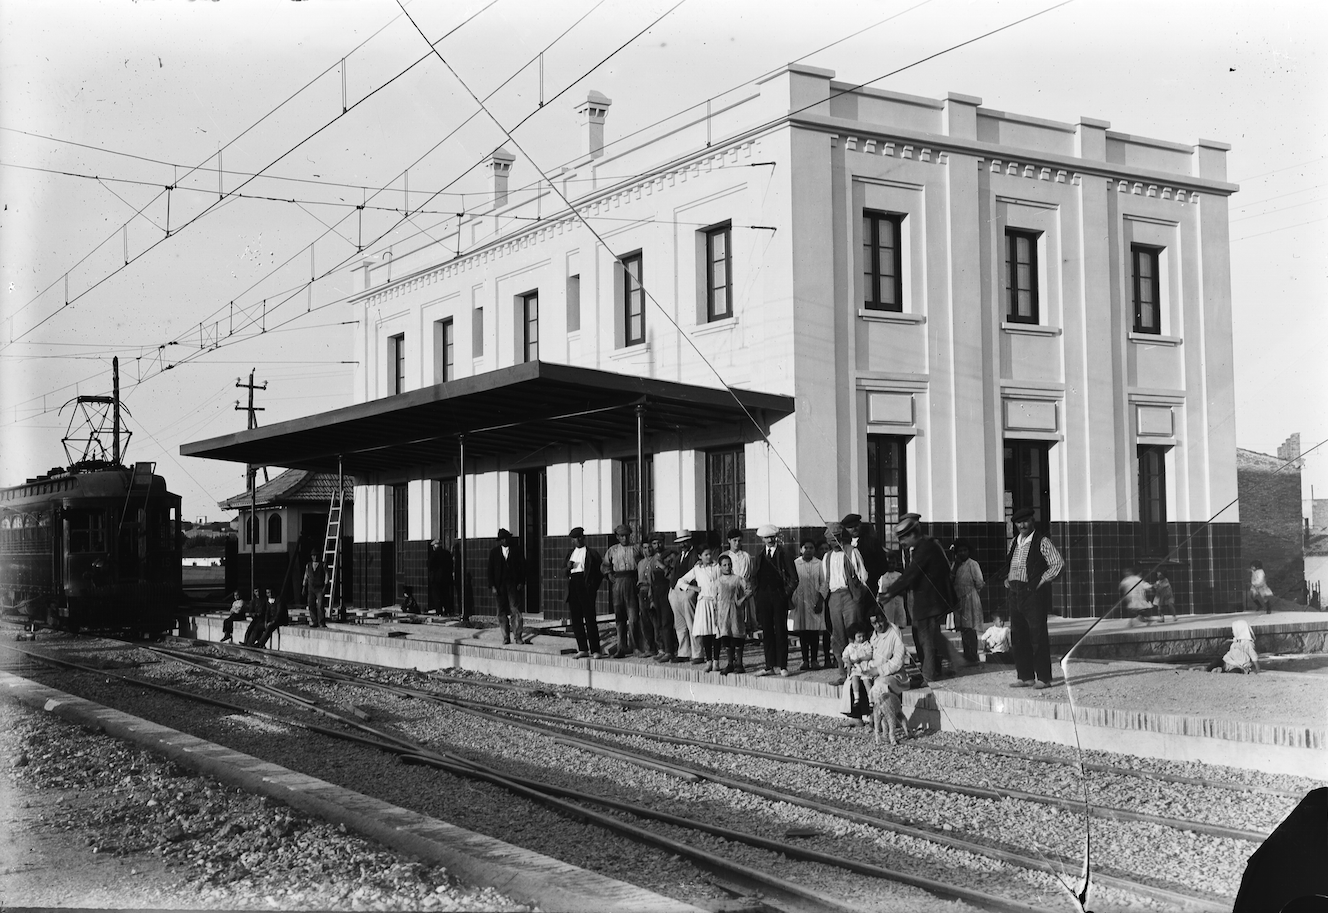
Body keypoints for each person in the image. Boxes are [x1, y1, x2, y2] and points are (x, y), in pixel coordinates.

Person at [879, 515, 960, 685]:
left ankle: (929, 675)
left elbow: (911, 573)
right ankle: (934, 669)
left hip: (929, 601)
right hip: (924, 600)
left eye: (904, 537)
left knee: (926, 640)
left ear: (914, 534)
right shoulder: (921, 546)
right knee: (927, 637)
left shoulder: (925, 547)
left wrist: (890, 593)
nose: (901, 542)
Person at [1002, 506, 1064, 689]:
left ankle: (1044, 678)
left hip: (1032, 594)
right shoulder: (1014, 541)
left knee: (1037, 636)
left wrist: (1040, 581)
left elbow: (1057, 564)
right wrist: (1008, 579)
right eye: (1019, 522)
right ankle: (1025, 676)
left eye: (1026, 521)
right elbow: (1010, 564)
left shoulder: (1041, 541)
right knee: (1018, 636)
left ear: (1032, 521)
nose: (1022, 525)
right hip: (1014, 593)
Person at [822, 521, 870, 683]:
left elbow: (863, 576)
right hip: (834, 597)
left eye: (835, 538)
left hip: (850, 595)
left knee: (854, 633)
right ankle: (844, 674)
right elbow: (825, 580)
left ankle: (859, 673)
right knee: (838, 635)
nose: (832, 542)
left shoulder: (851, 552)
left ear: (841, 536)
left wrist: (857, 596)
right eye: (829, 539)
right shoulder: (827, 556)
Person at [751, 524, 797, 676]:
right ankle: (769, 665)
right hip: (764, 597)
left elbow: (794, 578)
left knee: (781, 630)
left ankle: (782, 666)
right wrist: (757, 594)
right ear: (762, 539)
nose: (769, 540)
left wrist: (785, 594)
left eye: (772, 537)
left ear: (775, 537)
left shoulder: (784, 554)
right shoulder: (759, 556)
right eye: (766, 538)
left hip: (779, 596)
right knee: (767, 631)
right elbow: (754, 578)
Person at [676, 546, 723, 671]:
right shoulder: (697, 569)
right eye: (706, 555)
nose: (708, 557)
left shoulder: (717, 567)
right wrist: (693, 588)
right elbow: (680, 582)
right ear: (700, 556)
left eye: (710, 554)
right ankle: (708, 660)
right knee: (706, 632)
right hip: (704, 603)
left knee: (716, 632)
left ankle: (716, 661)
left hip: (716, 603)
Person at [602, 524, 646, 658]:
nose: (624, 538)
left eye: (626, 536)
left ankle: (635, 647)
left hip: (632, 581)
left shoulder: (636, 548)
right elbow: (605, 565)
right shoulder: (613, 550)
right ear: (617, 537)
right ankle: (621, 647)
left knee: (633, 618)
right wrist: (610, 576)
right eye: (621, 536)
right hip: (618, 583)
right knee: (620, 617)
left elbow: (645, 563)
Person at [867, 613, 909, 744]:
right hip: (877, 673)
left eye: (880, 621)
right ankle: (867, 716)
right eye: (874, 623)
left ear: (885, 618)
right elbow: (872, 656)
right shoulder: (874, 636)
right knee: (854, 680)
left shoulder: (894, 632)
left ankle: (887, 724)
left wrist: (879, 670)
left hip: (895, 675)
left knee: (880, 684)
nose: (878, 625)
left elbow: (897, 660)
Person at [565, 527, 605, 658]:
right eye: (575, 538)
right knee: (576, 619)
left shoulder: (591, 553)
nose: (578, 540)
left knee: (590, 619)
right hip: (573, 586)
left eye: (580, 537)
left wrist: (592, 588)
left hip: (586, 586)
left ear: (584, 537)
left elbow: (600, 572)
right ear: (572, 540)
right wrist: (567, 567)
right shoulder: (571, 553)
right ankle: (582, 648)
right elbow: (563, 572)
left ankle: (595, 650)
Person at [790, 538, 827, 672]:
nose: (809, 550)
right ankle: (804, 660)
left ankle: (815, 660)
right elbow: (791, 581)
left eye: (811, 548)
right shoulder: (796, 564)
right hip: (800, 601)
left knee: (814, 632)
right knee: (803, 631)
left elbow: (824, 583)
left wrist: (820, 601)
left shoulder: (819, 564)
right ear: (801, 549)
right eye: (806, 547)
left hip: (815, 601)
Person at [666, 529, 702, 662]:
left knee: (691, 621)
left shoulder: (695, 555)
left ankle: (697, 653)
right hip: (676, 590)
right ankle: (683, 652)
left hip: (688, 590)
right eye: (680, 543)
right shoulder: (678, 556)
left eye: (685, 542)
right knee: (680, 624)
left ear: (690, 541)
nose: (683, 545)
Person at [713, 554, 751, 674]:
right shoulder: (717, 582)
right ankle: (730, 663)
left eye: (729, 564)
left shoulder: (738, 579)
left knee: (737, 636)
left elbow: (749, 591)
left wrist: (742, 599)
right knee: (726, 637)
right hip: (723, 613)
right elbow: (714, 598)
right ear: (720, 567)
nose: (727, 567)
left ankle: (739, 663)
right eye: (724, 565)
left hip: (735, 612)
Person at [487, 529, 526, 646]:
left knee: (515, 610)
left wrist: (521, 582)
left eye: (506, 538)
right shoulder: (494, 552)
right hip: (499, 586)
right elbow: (490, 571)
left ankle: (518, 636)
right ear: (499, 541)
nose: (505, 540)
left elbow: (523, 568)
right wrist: (493, 586)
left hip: (512, 585)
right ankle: (505, 636)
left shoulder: (516, 550)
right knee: (501, 611)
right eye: (502, 539)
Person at [638, 535, 670, 661]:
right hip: (642, 591)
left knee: (656, 621)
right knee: (645, 620)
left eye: (649, 547)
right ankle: (649, 648)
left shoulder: (656, 560)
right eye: (645, 548)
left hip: (653, 591)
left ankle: (661, 647)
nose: (648, 550)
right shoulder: (641, 563)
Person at [950, 542, 984, 662]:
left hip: (970, 598)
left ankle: (972, 656)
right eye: (960, 551)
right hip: (959, 599)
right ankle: (967, 655)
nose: (962, 553)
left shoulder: (973, 564)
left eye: (965, 550)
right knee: (963, 629)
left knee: (970, 627)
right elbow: (951, 579)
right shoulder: (955, 565)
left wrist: (971, 592)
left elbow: (979, 582)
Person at [839, 623, 875, 726]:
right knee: (853, 682)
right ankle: (856, 700)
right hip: (855, 669)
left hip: (866, 668)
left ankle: (871, 701)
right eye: (859, 636)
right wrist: (849, 661)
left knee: (867, 682)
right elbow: (844, 657)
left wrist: (861, 659)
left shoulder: (866, 644)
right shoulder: (850, 647)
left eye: (863, 636)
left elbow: (870, 655)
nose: (861, 638)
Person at [876, 553, 906, 629]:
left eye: (893, 563)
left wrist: (895, 590)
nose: (891, 565)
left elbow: (904, 592)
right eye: (889, 563)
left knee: (898, 627)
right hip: (886, 606)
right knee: (887, 626)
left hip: (898, 606)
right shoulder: (881, 576)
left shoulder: (899, 575)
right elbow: (879, 593)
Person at [428, 538, 454, 615]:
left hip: (436, 578)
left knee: (436, 595)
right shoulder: (447, 553)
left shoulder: (434, 554)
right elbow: (451, 565)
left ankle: (439, 611)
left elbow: (429, 565)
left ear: (434, 546)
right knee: (445, 594)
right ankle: (447, 610)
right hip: (446, 578)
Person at [302, 552, 328, 628]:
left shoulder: (322, 565)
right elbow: (306, 576)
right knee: (311, 604)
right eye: (313, 555)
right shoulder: (308, 565)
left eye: (316, 555)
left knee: (320, 605)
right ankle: (314, 621)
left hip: (319, 588)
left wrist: (325, 586)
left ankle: (321, 622)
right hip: (311, 588)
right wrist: (304, 586)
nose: (315, 557)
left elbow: (326, 575)